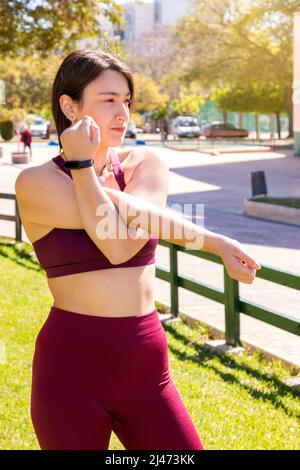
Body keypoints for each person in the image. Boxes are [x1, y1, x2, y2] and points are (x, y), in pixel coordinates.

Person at [14, 49, 261, 451]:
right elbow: (115, 243)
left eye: (126, 101)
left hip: (146, 367)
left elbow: (126, 233)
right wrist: (81, 167)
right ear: (69, 106)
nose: (123, 112)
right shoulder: (35, 183)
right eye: (108, 99)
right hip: (70, 369)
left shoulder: (146, 162)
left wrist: (218, 244)